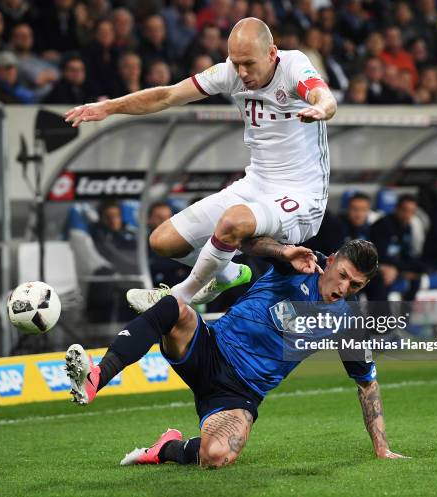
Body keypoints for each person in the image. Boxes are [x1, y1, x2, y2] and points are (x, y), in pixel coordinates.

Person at [64, 17, 336, 313]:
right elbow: (167, 95)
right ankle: (229, 273)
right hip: (256, 184)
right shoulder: (230, 73)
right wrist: (108, 107)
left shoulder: (294, 65)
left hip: (301, 195)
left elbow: (324, 96)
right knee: (164, 241)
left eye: (248, 63)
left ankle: (178, 296)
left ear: (271, 53)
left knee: (233, 221)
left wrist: (320, 108)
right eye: (235, 63)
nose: (242, 72)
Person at [64, 239, 408, 467]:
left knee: (217, 457)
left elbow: (367, 384)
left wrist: (381, 448)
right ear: (331, 262)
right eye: (343, 275)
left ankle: (164, 449)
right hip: (210, 347)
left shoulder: (347, 322)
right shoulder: (299, 263)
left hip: (239, 393)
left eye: (356, 285)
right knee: (175, 307)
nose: (344, 287)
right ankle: (97, 376)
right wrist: (282, 250)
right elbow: (246, 239)